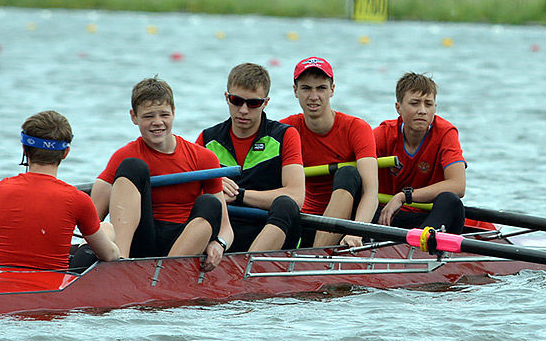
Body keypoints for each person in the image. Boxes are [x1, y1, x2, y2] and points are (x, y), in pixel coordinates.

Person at [90, 76, 233, 269]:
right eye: (149, 116)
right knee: (132, 166)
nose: (157, 122)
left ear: (174, 112)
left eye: (164, 115)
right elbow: (91, 221)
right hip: (144, 240)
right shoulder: (123, 156)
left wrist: (219, 244)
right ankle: (121, 263)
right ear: (134, 117)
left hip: (185, 240)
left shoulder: (204, 158)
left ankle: (168, 271)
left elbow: (226, 227)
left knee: (210, 203)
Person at [0, 110, 120, 271]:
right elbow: (108, 255)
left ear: (25, 150)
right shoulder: (77, 199)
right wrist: (117, 253)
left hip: (4, 282)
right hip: (53, 286)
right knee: (106, 228)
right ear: (65, 153)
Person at [197, 63, 304, 252]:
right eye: (236, 101)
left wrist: (240, 195)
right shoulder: (207, 139)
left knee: (286, 204)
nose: (244, 110)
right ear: (226, 98)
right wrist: (213, 185)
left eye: (253, 103)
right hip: (223, 234)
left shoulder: (285, 135)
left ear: (266, 102)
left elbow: (296, 196)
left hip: (271, 230)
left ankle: (248, 266)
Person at [281, 56, 378, 248]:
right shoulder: (285, 129)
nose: (314, 96)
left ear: (332, 90)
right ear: (295, 91)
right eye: (306, 88)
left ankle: (317, 254)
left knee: (348, 172)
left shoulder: (356, 128)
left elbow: (371, 192)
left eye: (321, 88)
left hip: (349, 225)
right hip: (307, 219)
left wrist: (356, 232)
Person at [373, 72, 466, 234]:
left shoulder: (446, 133)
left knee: (450, 200)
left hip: (428, 218)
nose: (422, 110)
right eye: (415, 103)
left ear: (435, 108)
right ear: (398, 108)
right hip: (388, 216)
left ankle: (417, 247)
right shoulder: (383, 134)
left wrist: (404, 196)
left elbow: (458, 186)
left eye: (428, 104)